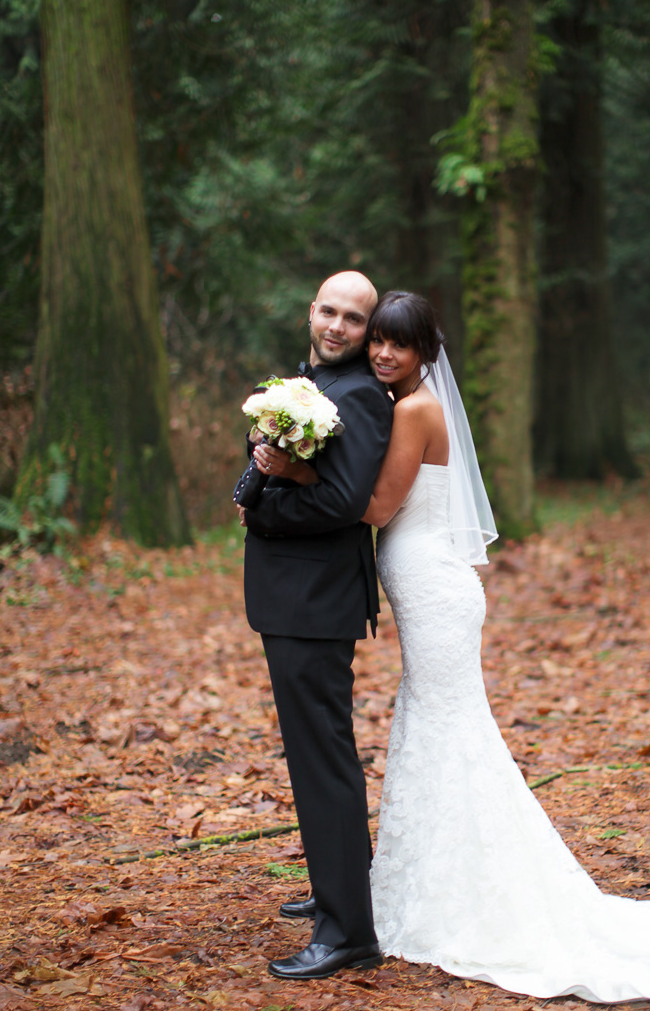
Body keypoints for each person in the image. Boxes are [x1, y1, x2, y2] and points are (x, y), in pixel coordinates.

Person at [266, 290, 650, 1002]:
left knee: (448, 730)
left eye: (400, 343)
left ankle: (473, 890)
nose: (384, 353)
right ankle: (421, 880)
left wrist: (301, 470)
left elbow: (373, 507)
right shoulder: (405, 402)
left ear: (426, 351)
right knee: (433, 729)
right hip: (429, 590)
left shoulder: (414, 410)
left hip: (436, 594)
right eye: (379, 341)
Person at [237, 270, 392, 981]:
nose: (337, 326)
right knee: (315, 755)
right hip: (295, 597)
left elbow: (343, 501)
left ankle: (348, 932)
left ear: (368, 330)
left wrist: (262, 511)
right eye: (329, 311)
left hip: (316, 598)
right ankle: (340, 885)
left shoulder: (358, 396)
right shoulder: (307, 385)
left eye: (353, 319)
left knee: (322, 760)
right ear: (311, 311)